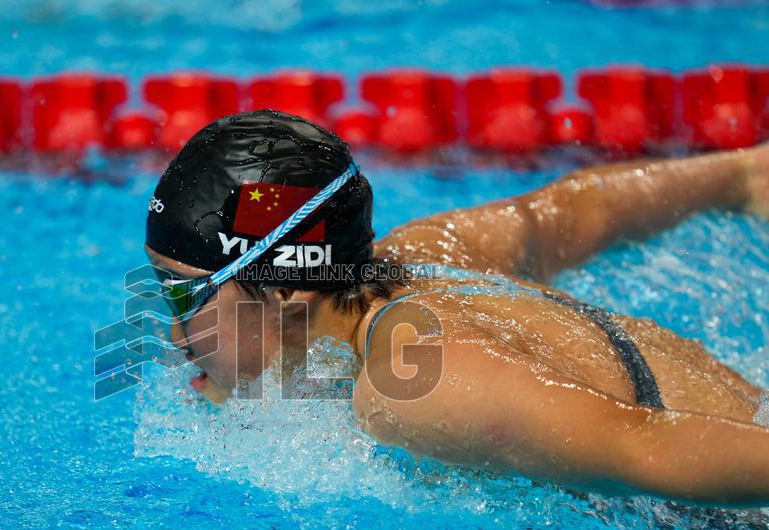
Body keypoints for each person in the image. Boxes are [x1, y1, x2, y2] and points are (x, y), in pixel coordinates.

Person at [144, 109, 769, 508]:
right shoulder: (424, 254)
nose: (174, 332)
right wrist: (744, 175)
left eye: (183, 293)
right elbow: (574, 209)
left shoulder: (414, 389)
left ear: (287, 291)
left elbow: (649, 448)